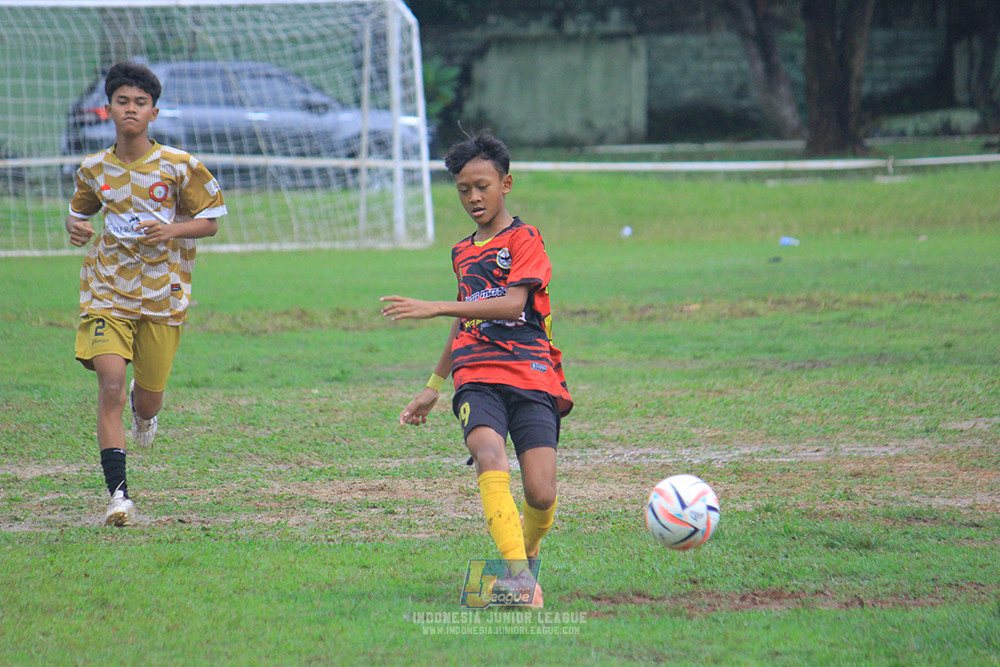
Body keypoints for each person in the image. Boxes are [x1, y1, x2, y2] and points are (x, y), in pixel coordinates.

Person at [381, 131, 572, 608]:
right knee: (489, 454)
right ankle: (520, 579)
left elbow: (511, 305)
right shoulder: (462, 251)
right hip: (477, 373)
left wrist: (436, 306)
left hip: (531, 371)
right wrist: (433, 385)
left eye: (482, 186)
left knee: (541, 493)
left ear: (505, 184)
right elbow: (467, 316)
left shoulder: (524, 239)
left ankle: (525, 554)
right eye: (463, 189)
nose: (473, 198)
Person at [65, 61, 227, 527]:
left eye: (140, 103)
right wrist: (75, 226)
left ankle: (146, 408)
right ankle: (119, 498)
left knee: (147, 400)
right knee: (111, 386)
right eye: (123, 102)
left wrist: (172, 229)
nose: (131, 109)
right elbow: (79, 212)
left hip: (162, 295)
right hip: (107, 291)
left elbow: (211, 222)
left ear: (154, 113)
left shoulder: (180, 165)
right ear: (108, 109)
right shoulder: (93, 169)